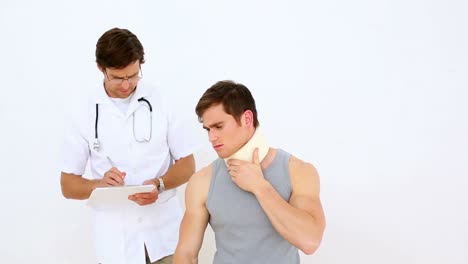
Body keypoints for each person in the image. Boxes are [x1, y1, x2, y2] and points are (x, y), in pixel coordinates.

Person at [60, 28, 198, 264]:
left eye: (133, 75)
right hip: (116, 244)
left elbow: (187, 163)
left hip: (166, 238)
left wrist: (160, 184)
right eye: (117, 77)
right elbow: (68, 185)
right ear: (100, 68)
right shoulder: (83, 112)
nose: (127, 85)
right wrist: (100, 184)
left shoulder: (162, 100)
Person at [173, 80, 326, 263]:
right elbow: (186, 254)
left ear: (247, 119)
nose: (211, 137)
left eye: (219, 127)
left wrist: (260, 187)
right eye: (208, 129)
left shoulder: (298, 171)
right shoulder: (202, 181)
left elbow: (310, 241)